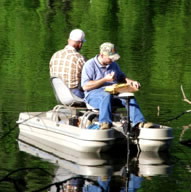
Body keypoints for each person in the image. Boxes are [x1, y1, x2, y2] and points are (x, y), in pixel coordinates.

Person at [81, 42, 152, 130]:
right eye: (110, 58)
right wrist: (105, 79)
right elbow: (85, 86)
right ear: (102, 55)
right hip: (93, 95)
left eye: (113, 57)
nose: (113, 60)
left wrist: (132, 82)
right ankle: (105, 122)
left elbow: (122, 78)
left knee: (129, 96)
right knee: (106, 95)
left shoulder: (113, 64)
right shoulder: (89, 65)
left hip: (113, 93)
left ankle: (139, 122)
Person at [49, 29, 86, 98]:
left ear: (68, 40)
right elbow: (86, 79)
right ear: (80, 44)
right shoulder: (79, 58)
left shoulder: (55, 55)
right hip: (74, 95)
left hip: (59, 94)